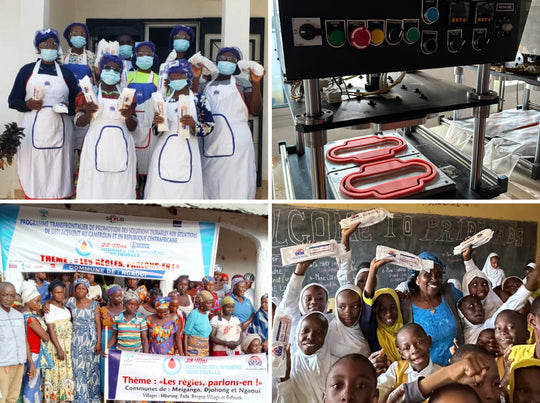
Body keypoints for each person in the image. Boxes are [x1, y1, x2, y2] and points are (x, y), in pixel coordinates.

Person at [8, 28, 78, 199]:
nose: (50, 47)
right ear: (38, 48)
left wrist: (66, 107)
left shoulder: (67, 73)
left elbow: (77, 103)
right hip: (33, 133)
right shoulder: (26, 71)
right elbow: (13, 100)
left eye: (53, 44)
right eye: (45, 44)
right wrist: (27, 104)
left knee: (58, 174)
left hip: (61, 132)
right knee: (35, 173)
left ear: (58, 48)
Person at [200, 46, 264, 199]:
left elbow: (256, 110)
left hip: (238, 144)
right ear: (216, 61)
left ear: (237, 63)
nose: (226, 61)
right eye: (222, 58)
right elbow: (196, 107)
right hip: (210, 142)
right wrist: (198, 79)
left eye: (231, 59)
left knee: (238, 183)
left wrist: (256, 83)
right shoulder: (204, 86)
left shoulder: (242, 83)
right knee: (210, 184)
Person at [145, 59, 214, 199]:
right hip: (164, 154)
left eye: (180, 76)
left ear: (188, 76)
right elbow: (155, 130)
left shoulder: (199, 100)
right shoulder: (163, 100)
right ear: (168, 79)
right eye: (173, 76)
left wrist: (194, 125)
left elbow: (210, 126)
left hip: (188, 154)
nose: (176, 79)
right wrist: (157, 124)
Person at [75, 53, 138, 199]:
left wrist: (128, 116)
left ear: (121, 73)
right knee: (94, 188)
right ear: (100, 70)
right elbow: (78, 122)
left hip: (121, 147)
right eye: (108, 68)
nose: (112, 72)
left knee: (121, 188)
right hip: (95, 147)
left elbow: (133, 126)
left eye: (116, 70)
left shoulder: (126, 95)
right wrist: (88, 114)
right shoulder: (90, 93)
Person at [401, 252, 463, 366]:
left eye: (439, 275)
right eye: (428, 274)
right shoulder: (405, 305)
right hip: (426, 375)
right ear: (416, 278)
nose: (434, 279)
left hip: (456, 369)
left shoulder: (450, 294)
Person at [277, 312, 334, 403]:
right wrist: (285, 376)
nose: (311, 336)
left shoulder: (336, 366)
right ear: (297, 333)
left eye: (319, 332)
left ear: (326, 336)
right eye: (305, 330)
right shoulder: (286, 364)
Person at [127, 41, 160, 196]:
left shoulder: (158, 79)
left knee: (147, 169)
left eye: (149, 54)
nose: (144, 58)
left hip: (149, 131)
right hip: (129, 125)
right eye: (141, 54)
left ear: (154, 57)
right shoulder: (127, 76)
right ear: (135, 57)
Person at [377, 323, 441, 398]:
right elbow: (379, 389)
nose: (414, 350)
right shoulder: (396, 369)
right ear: (401, 354)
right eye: (406, 348)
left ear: (429, 341)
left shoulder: (441, 375)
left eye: (419, 342)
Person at [65, 278, 101, 403]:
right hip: (76, 339)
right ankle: (80, 398)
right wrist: (47, 304)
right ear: (74, 290)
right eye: (78, 288)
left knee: (92, 368)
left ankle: (92, 398)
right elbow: (55, 302)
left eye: (83, 288)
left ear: (87, 290)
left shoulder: (94, 304)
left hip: (91, 339)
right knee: (78, 367)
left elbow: (98, 324)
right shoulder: (70, 302)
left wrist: (98, 343)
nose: (80, 291)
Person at [62, 22, 96, 154]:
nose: (79, 36)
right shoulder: (62, 58)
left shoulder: (92, 57)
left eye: (82, 34)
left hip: (84, 107)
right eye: (75, 34)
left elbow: (97, 80)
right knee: (67, 148)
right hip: (66, 106)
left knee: (85, 148)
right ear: (69, 36)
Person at [0, 282, 33, 403]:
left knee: (13, 398)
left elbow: (23, 340)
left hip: (18, 364)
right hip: (3, 365)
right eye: (5, 295)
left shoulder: (18, 315)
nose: (8, 299)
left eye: (12, 295)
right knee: (1, 398)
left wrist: (30, 363)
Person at [20, 286, 53, 403]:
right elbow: (46, 337)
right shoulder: (31, 320)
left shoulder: (22, 316)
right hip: (33, 355)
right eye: (36, 301)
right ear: (28, 302)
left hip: (28, 354)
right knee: (32, 385)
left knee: (30, 383)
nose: (39, 304)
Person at [43, 280, 74, 403]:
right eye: (57, 293)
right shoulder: (49, 308)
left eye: (62, 292)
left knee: (65, 370)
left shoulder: (64, 306)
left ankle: (65, 397)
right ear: (51, 293)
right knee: (57, 371)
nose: (60, 295)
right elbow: (51, 330)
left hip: (67, 343)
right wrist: (59, 348)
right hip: (58, 345)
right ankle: (55, 398)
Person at [327, 284, 370, 358]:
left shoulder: (368, 330)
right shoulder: (328, 333)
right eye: (342, 307)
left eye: (354, 306)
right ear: (336, 307)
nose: (348, 312)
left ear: (361, 307)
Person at [462, 246, 503, 318]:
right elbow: (472, 272)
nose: (481, 288)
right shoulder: (462, 313)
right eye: (474, 285)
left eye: (485, 283)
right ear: (466, 288)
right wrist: (467, 258)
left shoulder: (497, 309)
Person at [99, 285, 123, 394]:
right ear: (110, 296)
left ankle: (116, 394)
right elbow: (98, 327)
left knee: (117, 368)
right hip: (105, 339)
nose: (120, 298)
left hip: (120, 340)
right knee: (105, 367)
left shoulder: (125, 310)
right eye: (117, 296)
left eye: (121, 296)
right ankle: (105, 394)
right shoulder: (103, 310)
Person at [183, 291, 213, 356]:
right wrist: (185, 354)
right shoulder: (193, 314)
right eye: (208, 303)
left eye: (211, 303)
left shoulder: (207, 313)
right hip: (193, 351)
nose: (210, 306)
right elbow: (186, 334)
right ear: (201, 303)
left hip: (205, 351)